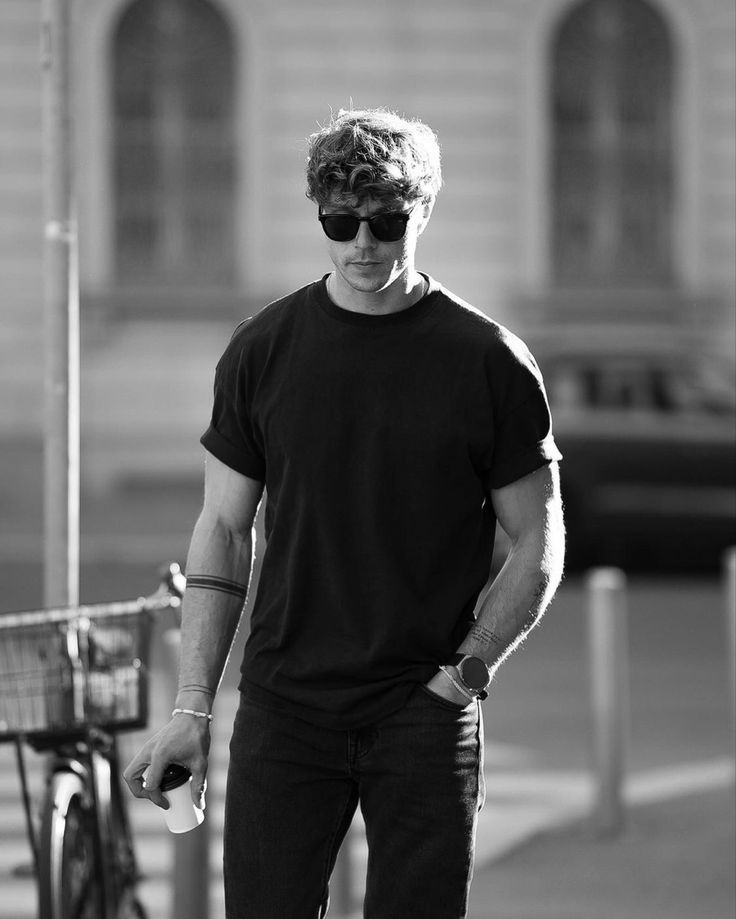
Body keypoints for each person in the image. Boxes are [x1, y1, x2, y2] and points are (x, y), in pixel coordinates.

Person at [124, 107, 565, 919]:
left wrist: (463, 677)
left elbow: (539, 536)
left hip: (423, 713)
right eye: (341, 220)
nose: (364, 242)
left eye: (388, 220)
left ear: (422, 212)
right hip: (287, 709)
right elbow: (223, 529)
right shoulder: (263, 349)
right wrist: (192, 707)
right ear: (319, 216)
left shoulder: (488, 360)